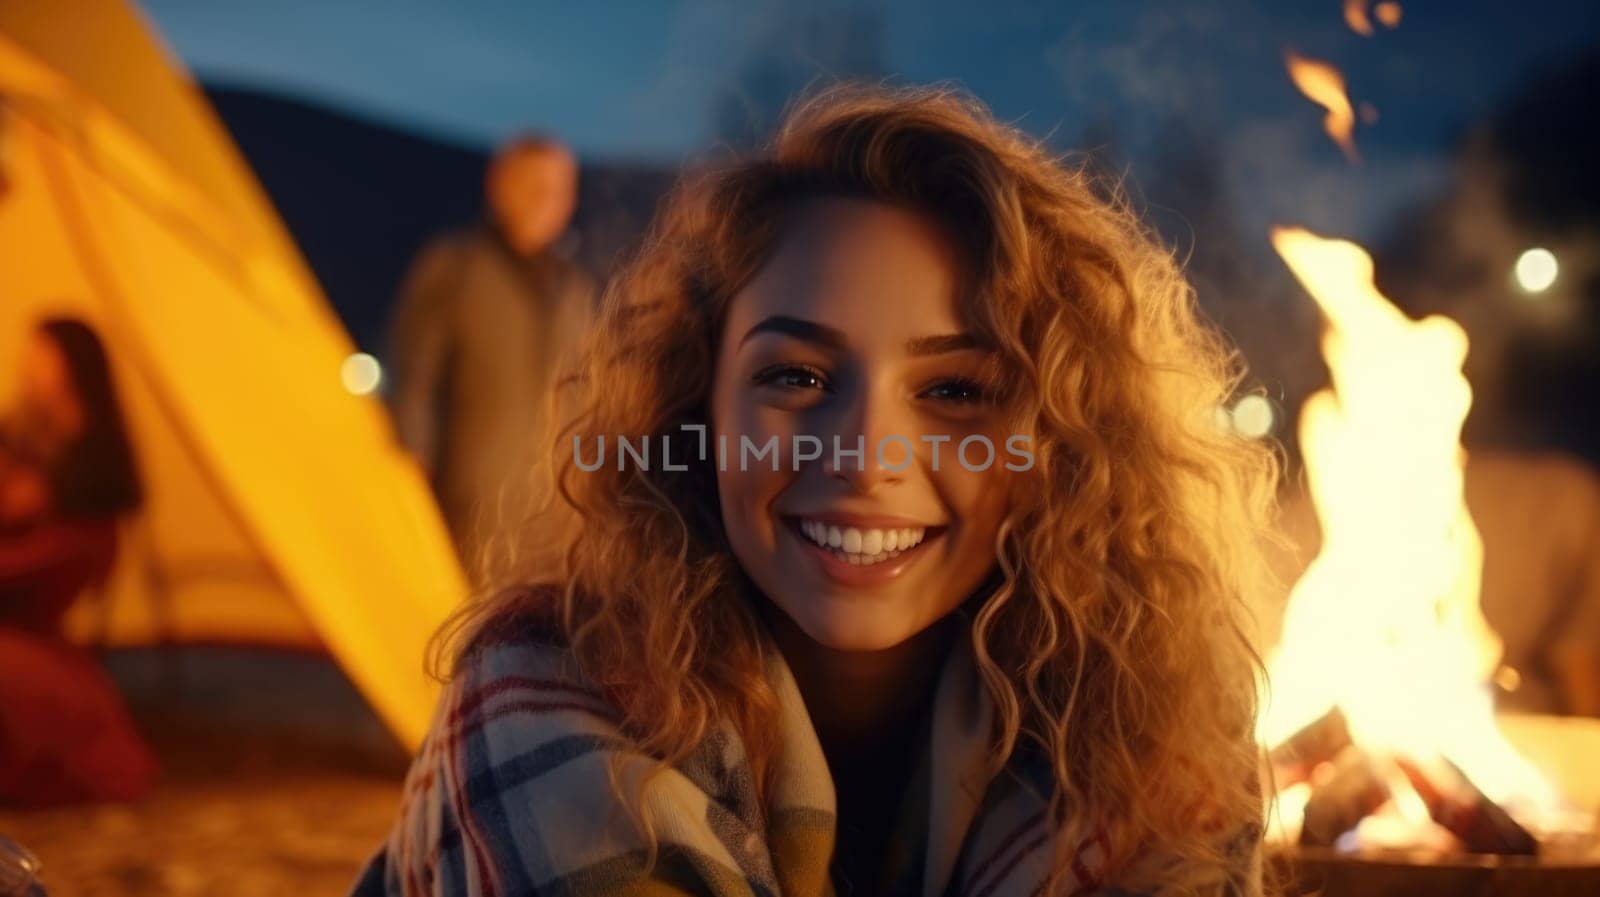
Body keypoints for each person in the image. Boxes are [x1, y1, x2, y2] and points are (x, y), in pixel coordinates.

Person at [352, 85, 1277, 897]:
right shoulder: (542, 693)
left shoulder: (1145, 741)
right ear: (696, 410)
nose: (865, 456)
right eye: (795, 376)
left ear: (1061, 446)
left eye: (955, 390)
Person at [386, 134, 597, 577]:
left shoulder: (574, 290)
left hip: (550, 517)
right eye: (534, 185)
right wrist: (412, 487)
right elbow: (414, 382)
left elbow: (586, 399)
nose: (548, 200)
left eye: (560, 188)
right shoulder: (455, 269)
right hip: (464, 508)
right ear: (499, 185)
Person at [0, 317, 158, 807]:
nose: (29, 369)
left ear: (72, 368)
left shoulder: (95, 468)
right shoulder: (21, 442)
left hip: (30, 637)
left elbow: (63, 562)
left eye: (41, 356)